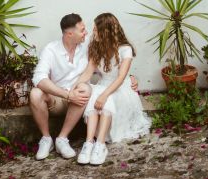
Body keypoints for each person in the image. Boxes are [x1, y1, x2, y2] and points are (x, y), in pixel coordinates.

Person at [29, 13, 138, 161]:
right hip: (58, 97)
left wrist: (130, 77)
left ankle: (64, 139)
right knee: (35, 93)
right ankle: (47, 139)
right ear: (69, 34)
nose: (87, 33)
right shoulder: (51, 49)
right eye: (82, 30)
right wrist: (67, 94)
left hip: (78, 98)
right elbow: (39, 78)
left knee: (86, 90)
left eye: (88, 30)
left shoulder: (87, 43)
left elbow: (114, 55)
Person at [75, 13, 151, 166]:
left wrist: (104, 94)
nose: (93, 32)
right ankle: (89, 143)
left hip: (120, 88)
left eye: (96, 30)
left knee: (105, 97)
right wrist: (72, 89)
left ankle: (100, 145)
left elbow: (121, 77)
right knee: (96, 93)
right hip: (104, 85)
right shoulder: (96, 47)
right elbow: (87, 73)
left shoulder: (125, 49)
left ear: (105, 31)